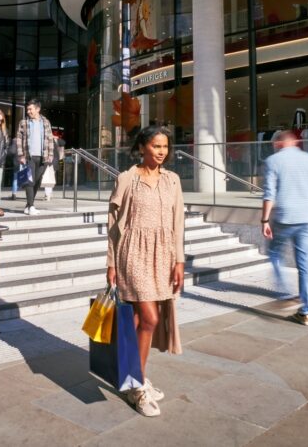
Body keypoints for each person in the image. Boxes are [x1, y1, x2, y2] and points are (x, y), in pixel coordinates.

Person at [106, 125, 185, 418]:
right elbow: (113, 225)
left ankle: (132, 376)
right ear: (142, 148)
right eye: (155, 146)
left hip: (162, 256)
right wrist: (111, 263)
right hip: (133, 254)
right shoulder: (127, 179)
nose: (161, 152)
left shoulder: (173, 181)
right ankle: (137, 387)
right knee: (150, 318)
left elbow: (178, 224)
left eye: (165, 146)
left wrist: (179, 260)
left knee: (139, 319)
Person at [260, 131, 308, 326]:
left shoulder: (273, 161)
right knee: (304, 264)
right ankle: (306, 311)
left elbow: (269, 193)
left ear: (279, 143)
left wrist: (264, 220)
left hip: (284, 217)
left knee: (274, 254)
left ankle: (286, 294)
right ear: (295, 142)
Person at [15, 98, 55, 215]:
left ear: (38, 109)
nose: (28, 111)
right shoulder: (24, 122)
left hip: (44, 157)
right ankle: (31, 206)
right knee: (30, 182)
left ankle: (28, 206)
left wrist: (51, 155)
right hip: (29, 157)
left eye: (30, 109)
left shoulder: (46, 122)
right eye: (27, 109)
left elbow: (50, 138)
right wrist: (21, 155)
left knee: (37, 181)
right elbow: (19, 139)